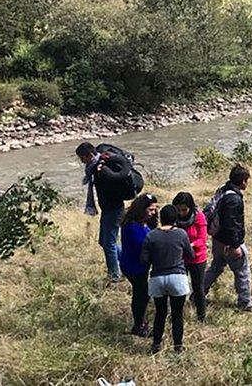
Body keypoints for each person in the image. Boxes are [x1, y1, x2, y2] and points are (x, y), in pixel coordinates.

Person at [77, 142, 133, 282]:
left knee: (109, 244)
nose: (81, 161)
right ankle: (126, 263)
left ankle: (115, 275)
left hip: (114, 209)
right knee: (104, 242)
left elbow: (110, 187)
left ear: (90, 155)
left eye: (82, 158)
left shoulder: (101, 169)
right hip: (108, 210)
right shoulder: (95, 167)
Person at [141, 204, 194, 354]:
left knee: (160, 313)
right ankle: (178, 347)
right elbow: (191, 255)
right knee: (177, 314)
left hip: (157, 278)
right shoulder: (181, 234)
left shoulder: (151, 235)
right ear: (175, 218)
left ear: (160, 218)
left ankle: (156, 345)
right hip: (177, 277)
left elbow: (144, 259)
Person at [204, 165, 252, 312]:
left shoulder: (223, 190)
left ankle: (198, 294)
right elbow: (231, 224)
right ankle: (245, 302)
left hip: (217, 240)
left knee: (215, 268)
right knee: (242, 271)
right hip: (228, 243)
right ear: (243, 181)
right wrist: (234, 246)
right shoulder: (234, 200)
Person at [119, 194, 158, 337]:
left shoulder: (144, 223)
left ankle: (140, 321)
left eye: (155, 209)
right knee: (141, 294)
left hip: (141, 265)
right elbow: (142, 246)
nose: (153, 213)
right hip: (133, 266)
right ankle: (138, 325)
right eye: (150, 209)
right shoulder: (131, 226)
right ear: (142, 209)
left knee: (143, 293)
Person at [173, 192, 208, 322]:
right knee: (179, 288)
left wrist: (189, 245)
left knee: (198, 288)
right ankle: (177, 316)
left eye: (184, 210)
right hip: (180, 258)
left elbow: (202, 239)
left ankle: (201, 317)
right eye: (178, 210)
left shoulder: (199, 217)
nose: (181, 213)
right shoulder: (174, 218)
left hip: (197, 258)